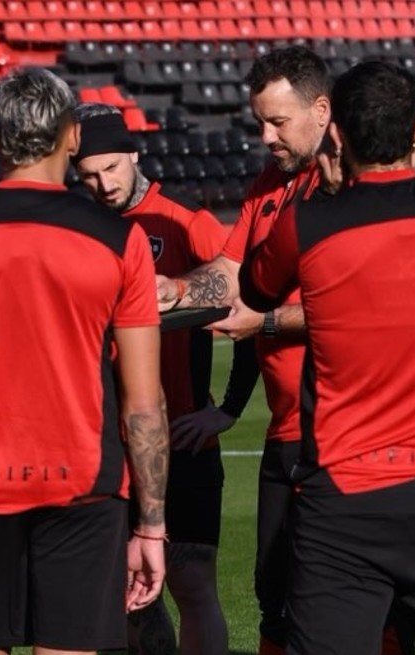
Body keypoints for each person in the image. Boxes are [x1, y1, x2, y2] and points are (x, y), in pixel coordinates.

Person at [240, 60, 415, 655]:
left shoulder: (307, 222)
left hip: (342, 502)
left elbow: (256, 289)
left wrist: (331, 192)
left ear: (336, 135)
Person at [0, 66, 168, 655]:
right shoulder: (120, 240)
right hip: (86, 489)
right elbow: (144, 405)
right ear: (73, 136)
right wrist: (151, 525)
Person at [153, 46, 331, 655]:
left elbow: (363, 306)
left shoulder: (348, 186)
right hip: (286, 430)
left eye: (278, 122)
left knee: (351, 600)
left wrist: (267, 322)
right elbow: (230, 276)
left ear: (321, 111)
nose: (265, 137)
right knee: (273, 595)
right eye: (260, 122)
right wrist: (171, 291)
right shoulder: (268, 185)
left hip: (343, 429)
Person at [73, 102, 260, 655]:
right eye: (89, 175)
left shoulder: (185, 221)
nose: (104, 185)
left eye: (111, 168)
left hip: (181, 437)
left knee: (192, 583)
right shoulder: (81, 230)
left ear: (134, 154)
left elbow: (248, 309)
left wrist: (227, 408)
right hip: (109, 445)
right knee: (131, 594)